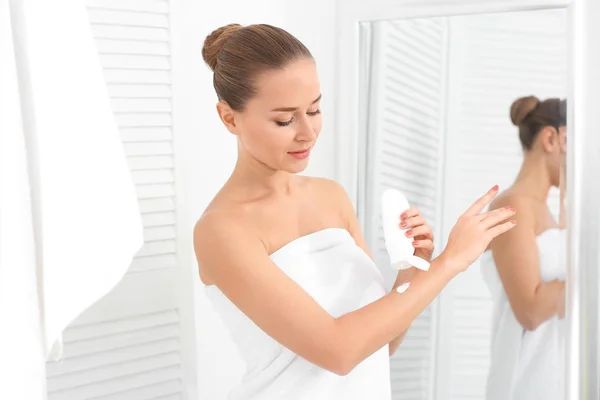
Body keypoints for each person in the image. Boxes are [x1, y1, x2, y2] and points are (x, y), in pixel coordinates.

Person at [193, 23, 516, 400]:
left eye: (314, 109)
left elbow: (379, 346)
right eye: (285, 119)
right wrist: (449, 263)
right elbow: (339, 351)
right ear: (229, 117)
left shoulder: (330, 197)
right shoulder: (223, 229)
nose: (308, 132)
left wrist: (414, 268)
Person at [482, 96, 568, 400]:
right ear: (550, 138)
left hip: (554, 382)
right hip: (523, 385)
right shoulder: (511, 205)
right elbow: (530, 311)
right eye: (572, 143)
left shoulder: (551, 215)